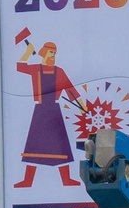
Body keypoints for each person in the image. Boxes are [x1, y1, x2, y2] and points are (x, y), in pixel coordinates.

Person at [12, 38, 85, 190]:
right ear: (45, 52)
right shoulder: (36, 70)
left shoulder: (59, 71)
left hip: (54, 111)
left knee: (60, 146)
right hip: (40, 111)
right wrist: (27, 51)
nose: (53, 55)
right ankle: (27, 180)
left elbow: (70, 89)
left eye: (55, 53)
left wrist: (82, 107)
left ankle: (67, 179)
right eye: (51, 52)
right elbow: (20, 67)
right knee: (34, 145)